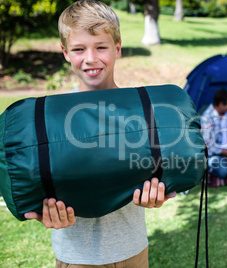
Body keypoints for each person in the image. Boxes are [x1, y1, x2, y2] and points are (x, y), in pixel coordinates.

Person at [23, 1, 176, 267]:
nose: (91, 58)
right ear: (65, 52)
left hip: (133, 252)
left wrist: (158, 194)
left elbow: (156, 170)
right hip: (76, 257)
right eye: (79, 49)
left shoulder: (140, 111)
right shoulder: (53, 118)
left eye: (101, 47)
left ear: (117, 48)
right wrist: (44, 210)